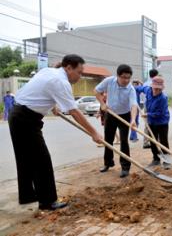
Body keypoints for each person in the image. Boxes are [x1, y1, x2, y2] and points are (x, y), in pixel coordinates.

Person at [8, 54, 102, 210]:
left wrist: (53, 107)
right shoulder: (60, 81)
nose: (80, 76)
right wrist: (94, 133)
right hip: (25, 120)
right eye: (79, 72)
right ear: (68, 67)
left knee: (25, 158)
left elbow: (38, 90)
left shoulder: (48, 71)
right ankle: (47, 201)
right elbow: (74, 111)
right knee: (41, 160)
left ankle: (28, 196)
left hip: (18, 115)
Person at [95, 64, 137, 178]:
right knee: (108, 140)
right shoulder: (109, 81)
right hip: (111, 114)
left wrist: (133, 120)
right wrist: (102, 104)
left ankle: (125, 167)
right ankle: (108, 163)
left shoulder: (130, 89)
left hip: (125, 115)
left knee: (124, 141)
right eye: (123, 77)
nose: (126, 80)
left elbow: (133, 105)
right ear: (117, 76)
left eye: (128, 77)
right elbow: (96, 91)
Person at [135, 76, 171, 169]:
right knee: (152, 141)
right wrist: (134, 92)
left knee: (163, 141)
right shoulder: (147, 90)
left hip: (162, 121)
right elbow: (137, 89)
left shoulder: (163, 98)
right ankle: (156, 159)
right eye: (155, 88)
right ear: (152, 87)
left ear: (161, 89)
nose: (156, 91)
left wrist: (148, 115)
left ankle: (167, 161)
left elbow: (160, 113)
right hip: (151, 122)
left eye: (159, 89)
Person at [142, 69, 159, 148]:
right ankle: (156, 141)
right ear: (156, 75)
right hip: (154, 104)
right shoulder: (156, 83)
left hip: (146, 104)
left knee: (147, 124)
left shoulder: (145, 83)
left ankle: (145, 142)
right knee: (156, 122)